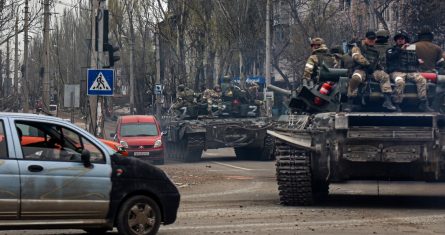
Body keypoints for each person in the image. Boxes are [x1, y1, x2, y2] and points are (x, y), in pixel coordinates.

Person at [346, 31, 396, 111]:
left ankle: (387, 101)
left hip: (372, 70)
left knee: (385, 76)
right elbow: (357, 57)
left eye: (373, 39)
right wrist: (367, 64)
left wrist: (381, 69)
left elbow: (377, 62)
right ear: (366, 38)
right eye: (369, 39)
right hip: (361, 69)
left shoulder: (376, 50)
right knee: (356, 78)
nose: (371, 41)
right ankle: (350, 103)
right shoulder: (357, 46)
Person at [386, 31, 433, 112]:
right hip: (397, 72)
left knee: (422, 80)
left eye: (402, 38)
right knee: (400, 82)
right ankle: (396, 104)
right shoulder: (391, 50)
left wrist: (418, 61)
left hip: (411, 72)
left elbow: (413, 61)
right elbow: (390, 57)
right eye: (398, 39)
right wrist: (400, 50)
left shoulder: (411, 50)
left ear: (405, 40)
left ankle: (423, 103)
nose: (400, 40)